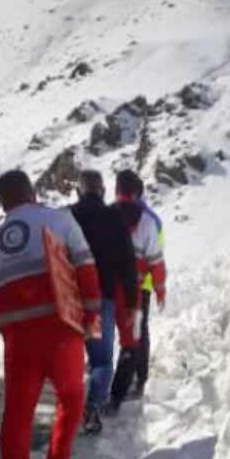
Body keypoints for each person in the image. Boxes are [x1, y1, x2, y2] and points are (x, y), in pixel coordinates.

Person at [0, 170, 101, 459]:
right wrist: (92, 314)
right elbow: (85, 269)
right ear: (32, 193)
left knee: (17, 415)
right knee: (71, 396)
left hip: (17, 338)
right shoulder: (58, 220)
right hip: (59, 330)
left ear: (2, 202)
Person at [68, 170, 138, 435]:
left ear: (78, 191)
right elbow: (128, 263)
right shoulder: (114, 218)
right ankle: (92, 409)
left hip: (66, 302)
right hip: (99, 303)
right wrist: (131, 300)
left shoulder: (65, 217)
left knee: (67, 357)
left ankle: (65, 408)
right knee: (101, 361)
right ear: (103, 191)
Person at [107, 169, 166, 414]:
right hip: (137, 291)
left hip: (105, 288)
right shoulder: (149, 220)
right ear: (138, 192)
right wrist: (160, 287)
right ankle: (125, 389)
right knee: (134, 339)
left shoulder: (105, 215)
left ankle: (96, 380)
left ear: (117, 190)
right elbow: (156, 259)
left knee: (99, 334)